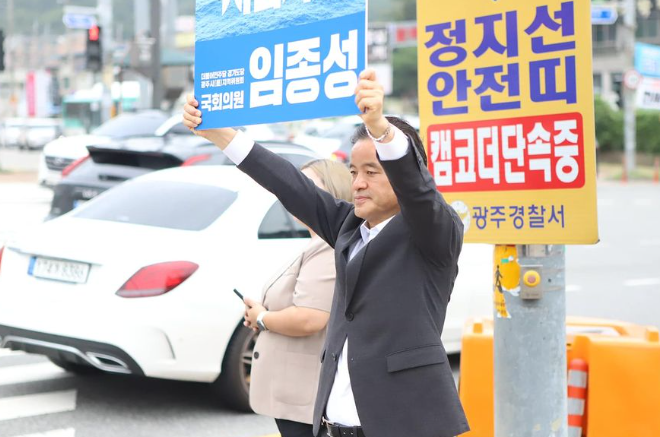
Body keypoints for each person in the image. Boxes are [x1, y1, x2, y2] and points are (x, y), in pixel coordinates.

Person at [183, 69, 469, 437]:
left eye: (372, 171)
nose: (358, 183)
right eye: (353, 171)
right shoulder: (348, 226)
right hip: (333, 426)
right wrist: (219, 134)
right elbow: (288, 183)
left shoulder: (433, 233)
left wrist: (380, 128)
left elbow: (419, 190)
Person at [242, 159, 353, 437]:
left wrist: (262, 317)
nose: (295, 193)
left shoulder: (327, 246)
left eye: (306, 186)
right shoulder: (316, 242)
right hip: (296, 391)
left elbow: (310, 318)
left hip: (303, 393)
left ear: (331, 194)